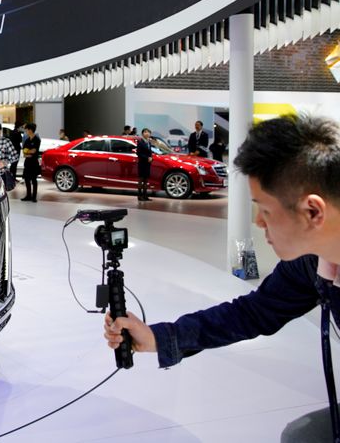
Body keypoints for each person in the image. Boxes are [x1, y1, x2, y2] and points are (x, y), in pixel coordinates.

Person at [104, 114, 340, 442]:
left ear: (313, 212)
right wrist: (160, 337)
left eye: (266, 210)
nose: (258, 222)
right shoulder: (311, 262)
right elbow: (253, 312)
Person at [21, 123, 41, 202]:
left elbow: (34, 150)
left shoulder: (37, 139)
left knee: (33, 179)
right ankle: (28, 195)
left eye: (27, 129)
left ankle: (34, 197)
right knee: (26, 179)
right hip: (27, 163)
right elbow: (24, 153)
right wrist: (28, 153)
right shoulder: (26, 140)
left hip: (34, 163)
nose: (26, 131)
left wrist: (28, 151)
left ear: (30, 130)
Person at [136, 128, 153, 202]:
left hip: (147, 164)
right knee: (141, 180)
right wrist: (147, 158)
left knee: (146, 180)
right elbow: (138, 153)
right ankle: (139, 196)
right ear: (142, 133)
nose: (147, 133)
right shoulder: (140, 142)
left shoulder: (149, 142)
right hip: (142, 163)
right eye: (145, 132)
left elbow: (150, 153)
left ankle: (145, 195)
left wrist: (151, 158)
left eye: (148, 132)